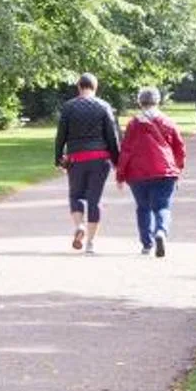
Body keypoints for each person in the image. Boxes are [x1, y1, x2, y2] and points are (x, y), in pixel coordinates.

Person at [53, 72, 122, 254]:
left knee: (75, 195)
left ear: (79, 87)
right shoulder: (104, 106)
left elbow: (61, 136)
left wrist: (58, 158)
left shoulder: (68, 107)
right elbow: (112, 136)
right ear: (95, 87)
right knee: (95, 200)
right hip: (100, 159)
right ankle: (91, 243)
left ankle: (79, 226)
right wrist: (117, 161)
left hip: (77, 158)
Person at [115, 87, 187, 257]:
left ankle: (147, 243)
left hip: (137, 174)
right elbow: (180, 148)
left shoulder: (133, 124)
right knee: (162, 206)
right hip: (164, 172)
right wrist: (178, 169)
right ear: (158, 101)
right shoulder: (167, 122)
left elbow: (126, 150)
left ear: (140, 102)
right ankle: (161, 232)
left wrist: (120, 175)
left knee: (143, 208)